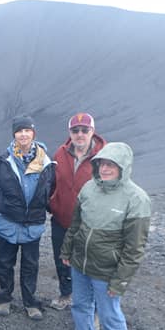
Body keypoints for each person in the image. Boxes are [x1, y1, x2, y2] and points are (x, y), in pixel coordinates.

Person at [60, 142, 151, 330]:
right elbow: (76, 225)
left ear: (123, 167)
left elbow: (135, 248)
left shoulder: (136, 198)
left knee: (109, 311)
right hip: (81, 261)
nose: (105, 169)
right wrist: (67, 251)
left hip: (107, 268)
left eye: (111, 165)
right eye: (102, 164)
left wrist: (121, 280)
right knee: (80, 303)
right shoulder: (89, 189)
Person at [0, 115, 56, 320]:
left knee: (30, 264)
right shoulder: (4, 161)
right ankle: (4, 298)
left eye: (27, 130)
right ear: (14, 134)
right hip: (8, 222)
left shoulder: (46, 162)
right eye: (19, 131)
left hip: (33, 224)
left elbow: (51, 188)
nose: (23, 134)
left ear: (33, 133)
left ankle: (30, 301)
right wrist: (10, 206)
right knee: (4, 262)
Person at [48, 113, 107, 315]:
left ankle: (95, 310)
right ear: (70, 133)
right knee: (61, 260)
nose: (80, 134)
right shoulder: (60, 154)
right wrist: (52, 203)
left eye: (84, 130)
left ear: (92, 131)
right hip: (62, 220)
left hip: (90, 225)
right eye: (75, 130)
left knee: (91, 267)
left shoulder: (104, 157)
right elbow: (52, 183)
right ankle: (66, 294)